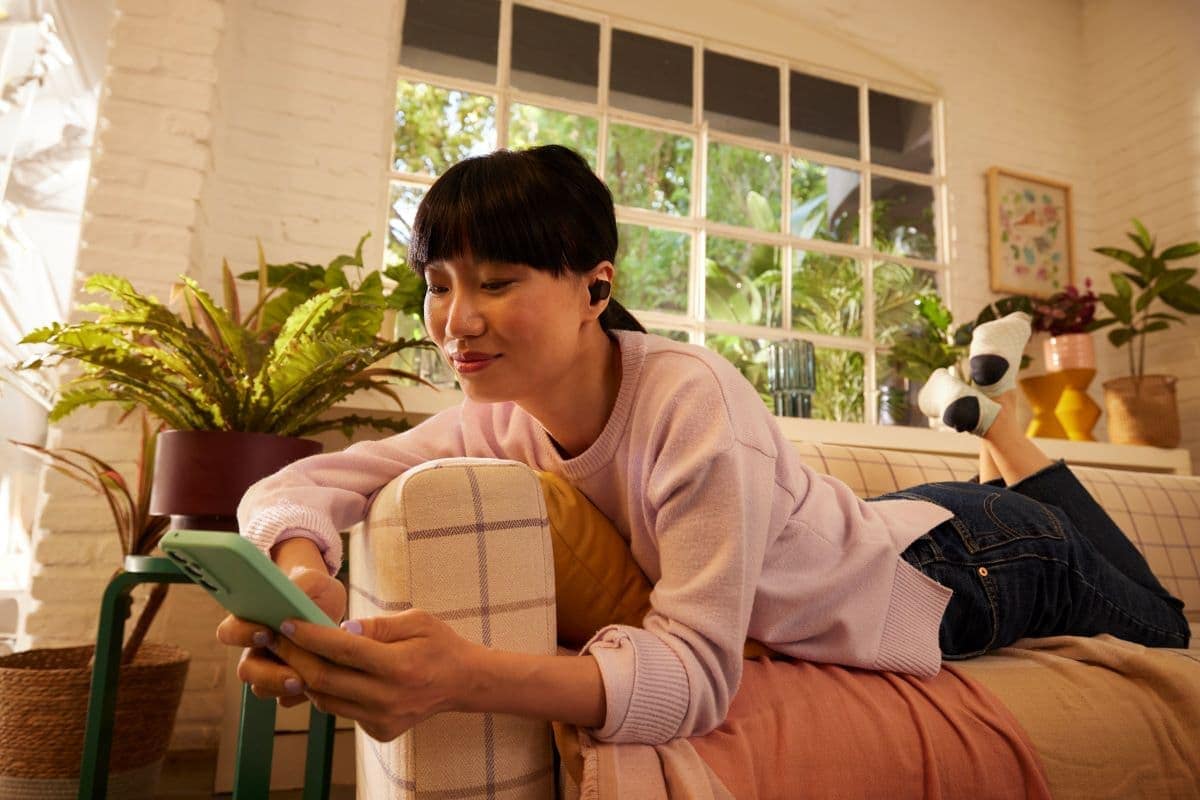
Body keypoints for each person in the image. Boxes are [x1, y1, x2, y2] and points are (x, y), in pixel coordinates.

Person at [219, 145, 1189, 746]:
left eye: (498, 281)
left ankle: (1013, 444)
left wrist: (461, 673)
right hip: (898, 524)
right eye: (439, 283)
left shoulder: (687, 402)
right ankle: (1007, 442)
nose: (455, 320)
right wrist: (308, 584)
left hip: (963, 568)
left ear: (596, 287)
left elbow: (694, 675)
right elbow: (297, 483)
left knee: (1169, 627)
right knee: (1046, 530)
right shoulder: (495, 411)